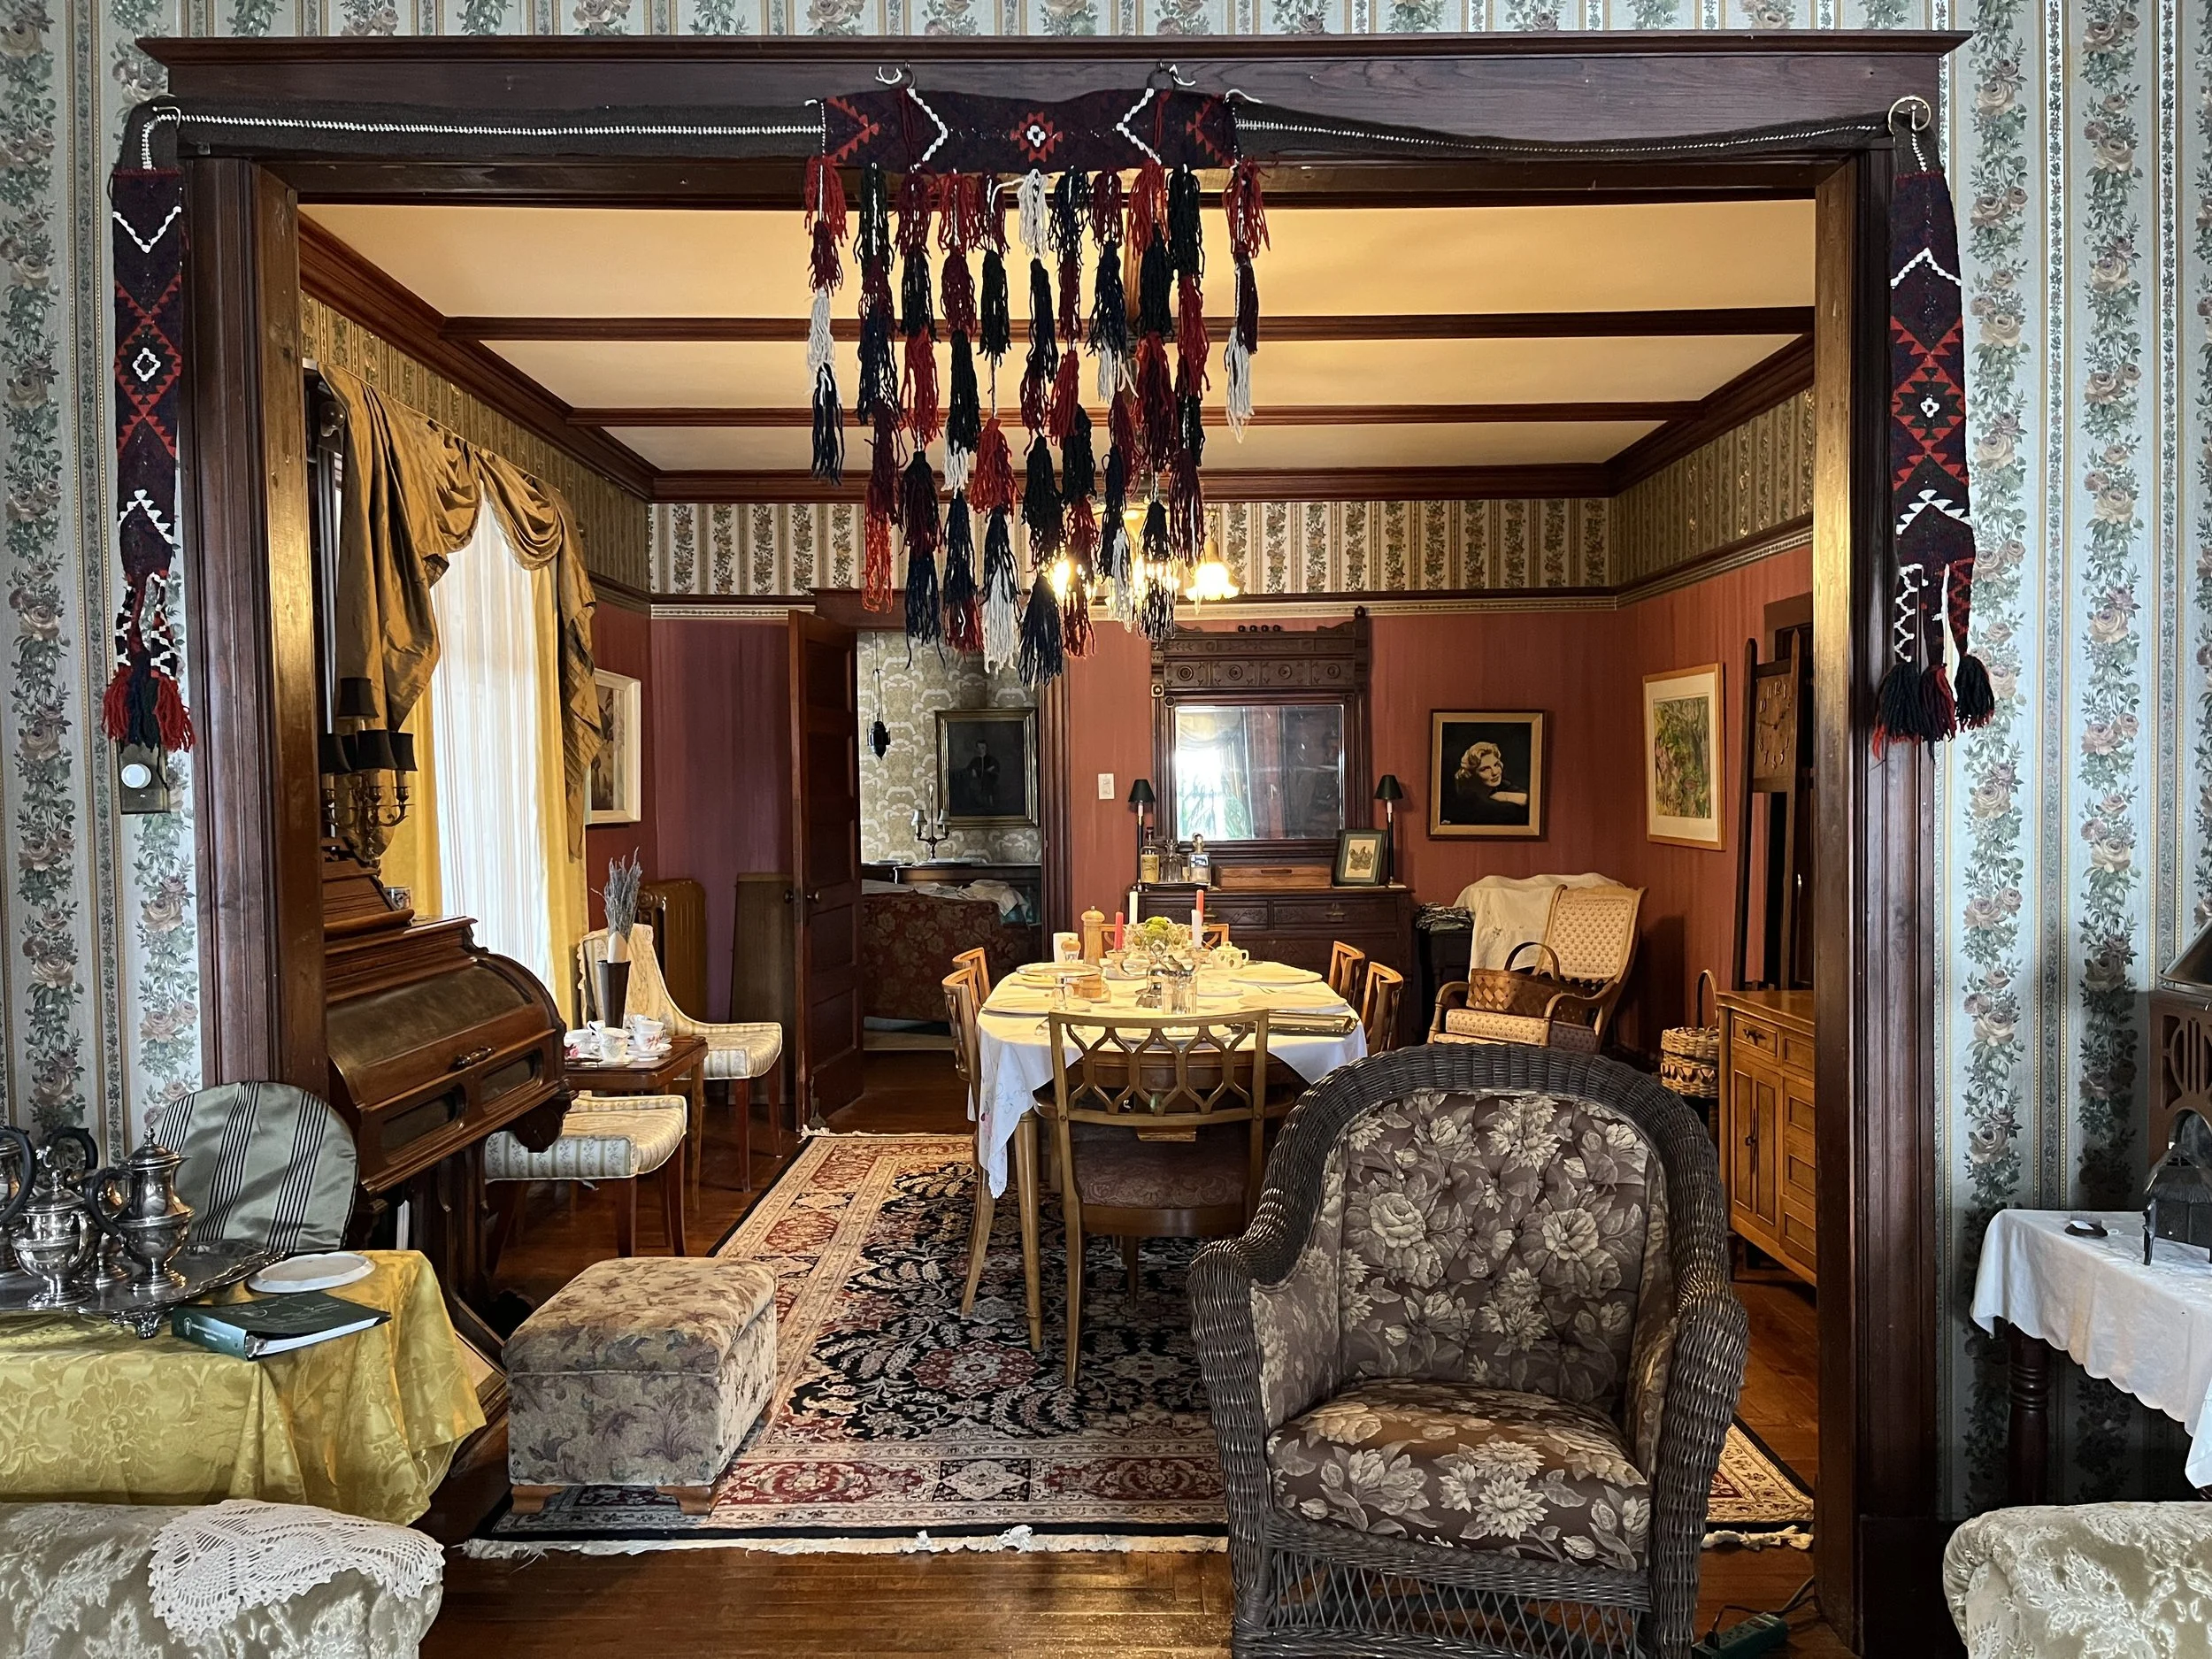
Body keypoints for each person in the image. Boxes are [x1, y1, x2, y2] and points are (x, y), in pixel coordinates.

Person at [1453, 738, 1530, 825]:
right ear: (1472, 774)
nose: (1495, 772)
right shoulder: (1472, 801)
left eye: (1496, 765)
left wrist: (1504, 796)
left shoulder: (1504, 785)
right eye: (1485, 769)